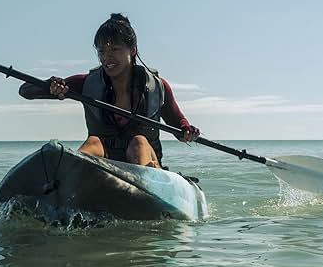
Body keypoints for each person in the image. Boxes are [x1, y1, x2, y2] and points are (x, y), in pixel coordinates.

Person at [18, 13, 200, 168]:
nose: (107, 57)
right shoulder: (87, 83)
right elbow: (25, 91)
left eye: (114, 49)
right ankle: (69, 178)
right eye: (101, 51)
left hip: (146, 161)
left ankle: (146, 185)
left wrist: (186, 130)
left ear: (133, 50)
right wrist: (51, 85)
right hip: (106, 164)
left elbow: (179, 126)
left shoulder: (158, 87)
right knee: (94, 142)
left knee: (138, 142)